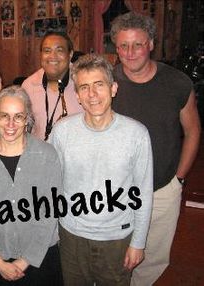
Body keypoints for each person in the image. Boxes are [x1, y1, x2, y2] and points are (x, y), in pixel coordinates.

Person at [110, 12, 201, 286]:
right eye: (124, 45)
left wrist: (179, 179)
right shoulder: (106, 83)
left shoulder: (177, 83)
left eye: (138, 44)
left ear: (150, 44)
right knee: (115, 256)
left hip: (163, 188)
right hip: (115, 191)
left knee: (153, 258)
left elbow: (193, 130)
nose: (130, 52)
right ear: (116, 48)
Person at [49, 55, 153, 286]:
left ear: (113, 88)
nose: (92, 94)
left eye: (99, 85)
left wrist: (138, 243)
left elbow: (143, 193)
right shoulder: (62, 131)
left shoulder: (136, 134)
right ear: (76, 95)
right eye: (84, 87)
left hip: (116, 238)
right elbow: (50, 184)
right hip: (71, 236)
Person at [0, 86, 63, 286]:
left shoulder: (47, 156)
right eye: (4, 116)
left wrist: (24, 261)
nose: (11, 124)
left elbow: (49, 215)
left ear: (27, 118)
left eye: (18, 116)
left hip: (39, 261)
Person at [22, 32, 83, 140]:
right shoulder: (28, 86)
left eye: (59, 50)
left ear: (70, 55)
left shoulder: (84, 82)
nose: (53, 56)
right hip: (40, 154)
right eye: (47, 51)